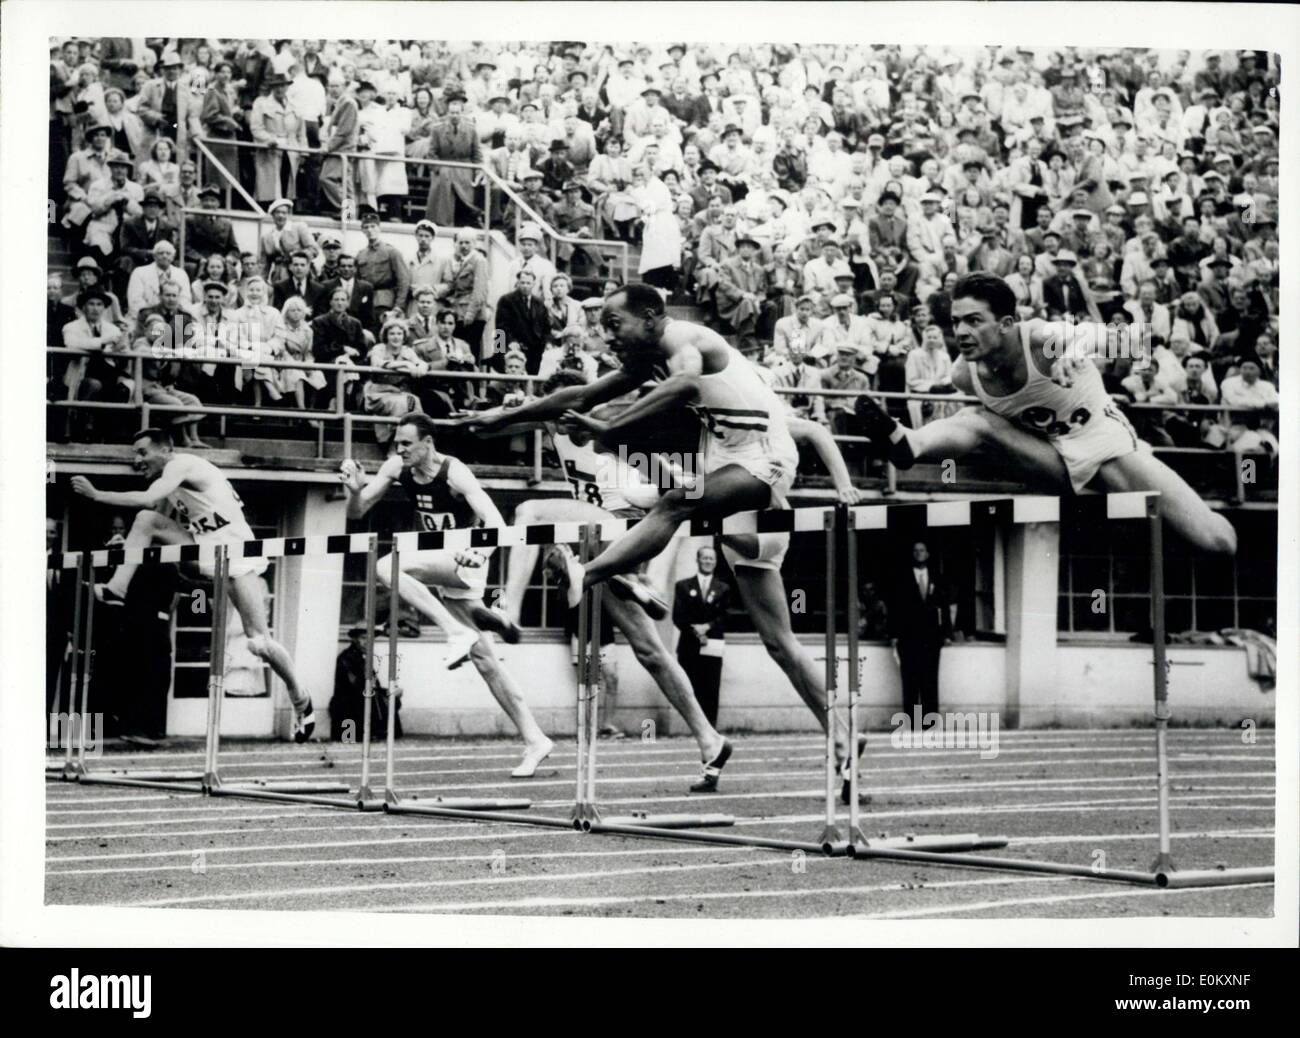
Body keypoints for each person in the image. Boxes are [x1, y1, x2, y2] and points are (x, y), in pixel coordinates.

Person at [458, 283, 869, 797]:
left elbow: (685, 387)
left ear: (652, 317)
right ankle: (843, 733)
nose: (608, 336)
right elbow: (580, 395)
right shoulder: (650, 357)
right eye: (602, 327)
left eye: (615, 325)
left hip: (765, 467)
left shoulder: (687, 342)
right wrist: (506, 415)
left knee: (676, 500)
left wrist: (843, 484)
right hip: (732, 484)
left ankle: (597, 573)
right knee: (778, 642)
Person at [854, 271, 1238, 555]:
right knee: (977, 422)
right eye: (956, 322)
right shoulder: (964, 373)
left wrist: (1075, 348)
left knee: (1218, 543)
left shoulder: (1038, 338)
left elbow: (1130, 340)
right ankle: (908, 442)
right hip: (1049, 460)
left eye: (974, 321)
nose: (963, 332)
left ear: (1006, 324)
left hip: (1106, 450)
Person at [338, 415, 553, 778]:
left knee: (386, 567)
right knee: (486, 662)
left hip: (467, 555)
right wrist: (355, 489)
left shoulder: (455, 473)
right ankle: (536, 739)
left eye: (407, 443)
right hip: (441, 561)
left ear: (428, 443)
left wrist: (481, 553)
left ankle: (457, 630)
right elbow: (357, 513)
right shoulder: (395, 467)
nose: (399, 449)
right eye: (397, 443)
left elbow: (498, 523)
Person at [70, 427, 316, 741]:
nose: (137, 461)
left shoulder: (181, 465)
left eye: (143, 452)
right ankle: (118, 589)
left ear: (165, 449)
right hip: (203, 548)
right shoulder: (171, 483)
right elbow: (152, 520)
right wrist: (130, 544)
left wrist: (97, 494)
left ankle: (300, 698)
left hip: (235, 552)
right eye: (135, 454)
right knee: (145, 521)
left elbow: (146, 497)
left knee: (259, 643)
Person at [887, 540, 953, 729]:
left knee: (930, 678)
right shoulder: (902, 578)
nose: (919, 554)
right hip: (908, 636)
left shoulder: (937, 578)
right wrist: (894, 634)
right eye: (915, 551)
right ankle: (911, 722)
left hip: (932, 637)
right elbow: (895, 607)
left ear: (928, 554)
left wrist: (946, 633)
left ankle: (930, 722)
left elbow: (944, 606)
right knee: (910, 679)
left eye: (922, 550)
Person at [672, 546, 731, 729]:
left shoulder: (723, 588)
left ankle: (710, 726)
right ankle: (693, 726)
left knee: (711, 685)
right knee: (690, 684)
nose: (707, 562)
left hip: (713, 643)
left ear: (716, 562)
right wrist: (696, 631)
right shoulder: (683, 586)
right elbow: (678, 616)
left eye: (711, 559)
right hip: (689, 644)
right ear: (697, 560)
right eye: (704, 558)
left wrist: (708, 627)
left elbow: (726, 615)